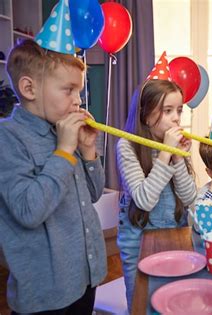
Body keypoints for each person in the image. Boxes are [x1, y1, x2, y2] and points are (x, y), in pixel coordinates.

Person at [0, 39, 106, 313]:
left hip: (85, 278)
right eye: (69, 89)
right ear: (29, 88)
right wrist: (65, 150)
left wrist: (87, 150)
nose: (78, 100)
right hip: (46, 295)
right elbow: (29, 210)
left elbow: (93, 195)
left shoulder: (62, 132)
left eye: (79, 91)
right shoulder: (7, 138)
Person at [116, 78, 197, 310]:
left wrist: (178, 158)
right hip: (138, 242)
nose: (176, 118)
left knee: (174, 302)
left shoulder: (173, 146)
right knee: (141, 304)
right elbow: (143, 200)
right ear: (145, 114)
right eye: (167, 110)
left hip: (175, 236)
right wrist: (165, 154)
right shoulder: (127, 146)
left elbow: (190, 197)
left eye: (179, 110)